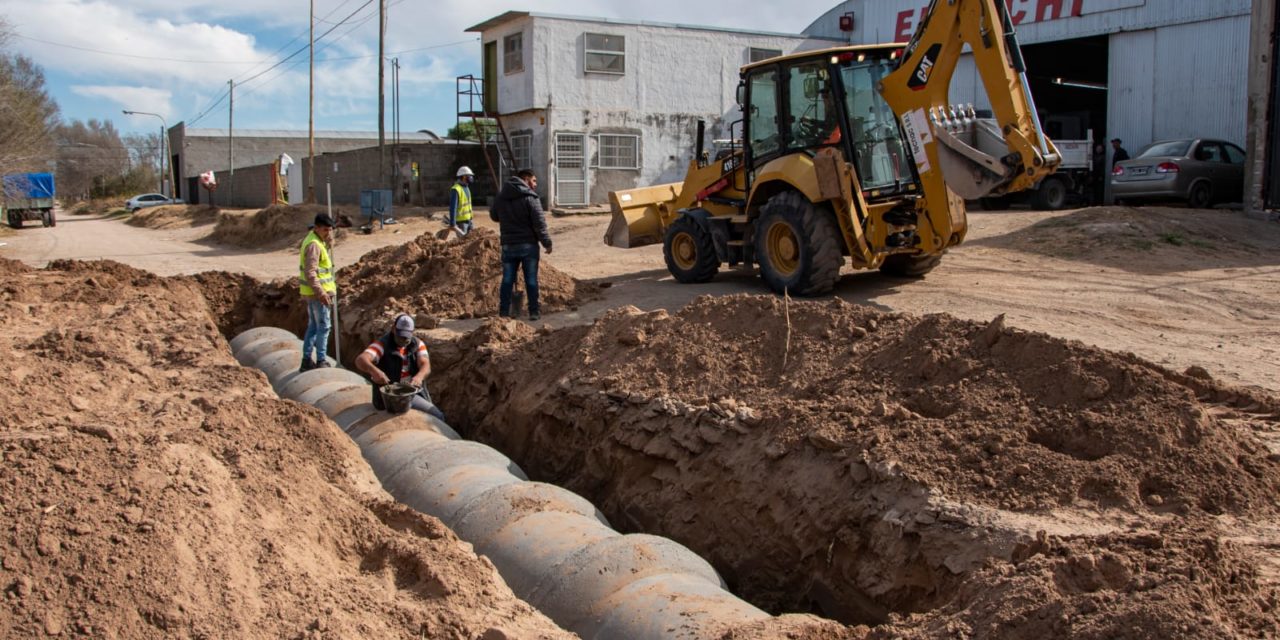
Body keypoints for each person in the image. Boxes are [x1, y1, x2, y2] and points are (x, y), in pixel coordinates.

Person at [355, 314, 445, 421]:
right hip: (389, 397)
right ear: (393, 329)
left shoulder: (417, 344)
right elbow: (361, 360)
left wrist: (419, 377)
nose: (404, 340)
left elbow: (425, 364)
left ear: (412, 332)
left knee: (438, 416)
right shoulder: (382, 345)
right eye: (401, 335)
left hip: (411, 393)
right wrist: (374, 371)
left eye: (407, 337)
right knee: (437, 416)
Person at [490, 168, 553, 321]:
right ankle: (534, 312)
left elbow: (494, 215)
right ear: (525, 179)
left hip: (508, 245)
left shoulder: (501, 196)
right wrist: (547, 243)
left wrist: (507, 218)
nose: (535, 184)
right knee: (531, 279)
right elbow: (539, 224)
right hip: (528, 246)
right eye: (534, 180)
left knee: (507, 280)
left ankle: (503, 313)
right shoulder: (530, 197)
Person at [299, 213, 337, 371]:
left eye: (330, 230)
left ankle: (307, 360)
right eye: (325, 230)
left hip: (313, 293)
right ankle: (321, 359)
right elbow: (311, 272)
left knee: (314, 326)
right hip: (318, 295)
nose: (328, 233)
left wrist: (328, 242)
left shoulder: (315, 240)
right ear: (317, 228)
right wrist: (321, 293)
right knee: (323, 326)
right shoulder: (314, 245)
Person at [447, 166, 475, 235]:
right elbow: (453, 208)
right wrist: (452, 223)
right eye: (469, 176)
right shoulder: (456, 189)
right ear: (464, 177)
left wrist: (471, 219)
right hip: (461, 223)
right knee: (463, 243)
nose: (471, 177)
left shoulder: (466, 187)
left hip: (469, 221)